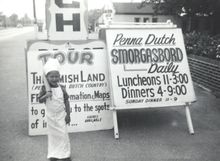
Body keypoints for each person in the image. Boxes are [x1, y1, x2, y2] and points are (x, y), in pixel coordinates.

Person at [38, 58, 72, 161]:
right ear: (47, 77)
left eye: (56, 76)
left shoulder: (62, 88)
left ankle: (65, 155)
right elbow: (39, 100)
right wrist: (46, 95)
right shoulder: (44, 88)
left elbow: (66, 101)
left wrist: (68, 114)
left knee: (63, 135)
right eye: (51, 76)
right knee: (53, 136)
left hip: (61, 115)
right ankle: (54, 154)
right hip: (50, 116)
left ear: (59, 77)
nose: (54, 78)